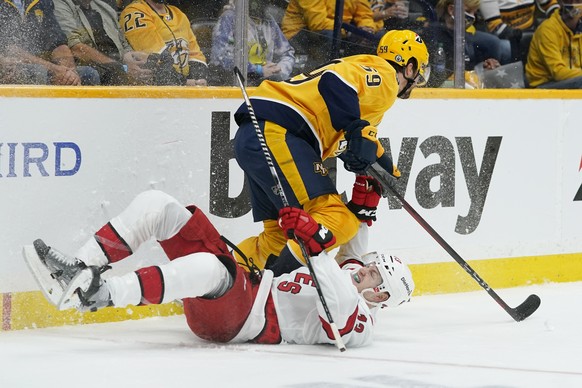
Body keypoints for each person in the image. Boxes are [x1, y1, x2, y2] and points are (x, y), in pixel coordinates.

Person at [26, 190, 415, 347]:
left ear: (381, 295)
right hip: (244, 285)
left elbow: (339, 315)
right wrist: (368, 194)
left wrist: (315, 244)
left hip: (242, 320)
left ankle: (100, 294)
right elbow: (359, 231)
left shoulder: (363, 322)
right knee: (160, 206)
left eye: (374, 275)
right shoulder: (352, 272)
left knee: (213, 269)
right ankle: (79, 269)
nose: (363, 270)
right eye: (368, 266)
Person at [232, 30, 428, 276]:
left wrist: (378, 167)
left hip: (257, 135)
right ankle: (273, 285)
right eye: (419, 70)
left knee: (277, 238)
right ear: (409, 68)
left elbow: (352, 141)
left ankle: (221, 279)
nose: (417, 77)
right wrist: (355, 128)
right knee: (338, 218)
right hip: (280, 132)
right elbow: (334, 82)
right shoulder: (386, 76)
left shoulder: (368, 89)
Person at [53, 0, 153, 85]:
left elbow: (123, 43)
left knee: (156, 64)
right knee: (91, 73)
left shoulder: (105, 8)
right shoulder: (60, 4)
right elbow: (76, 48)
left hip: (118, 64)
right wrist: (121, 68)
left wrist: (131, 56)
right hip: (95, 66)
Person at [0, 0, 99, 85]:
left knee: (89, 74)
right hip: (10, 66)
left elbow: (58, 44)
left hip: (42, 66)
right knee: (36, 72)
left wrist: (69, 74)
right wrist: (54, 69)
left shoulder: (41, 2)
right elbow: (11, 50)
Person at [119, 0, 209, 86]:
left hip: (182, 86)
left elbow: (196, 55)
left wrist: (199, 79)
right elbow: (157, 60)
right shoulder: (134, 12)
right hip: (148, 90)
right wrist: (183, 83)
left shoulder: (179, 14)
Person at [424, 0, 511, 87]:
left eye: (474, 13)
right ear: (451, 9)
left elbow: (469, 69)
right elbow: (434, 76)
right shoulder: (433, 35)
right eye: (468, 11)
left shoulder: (466, 37)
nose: (472, 17)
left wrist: (484, 68)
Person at [210, 0, 296, 86]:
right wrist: (258, 70)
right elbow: (218, 59)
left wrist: (278, 70)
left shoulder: (269, 21)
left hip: (265, 83)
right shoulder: (230, 18)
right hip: (237, 85)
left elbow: (287, 53)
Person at [281, 0, 380, 69]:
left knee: (373, 39)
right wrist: (348, 32)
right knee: (330, 36)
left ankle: (352, 76)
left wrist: (367, 28)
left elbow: (364, 14)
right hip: (299, 33)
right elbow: (317, 23)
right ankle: (317, 74)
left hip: (339, 30)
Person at [526, 0, 582, 88]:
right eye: (569, 0)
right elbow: (558, 73)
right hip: (543, 85)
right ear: (560, 2)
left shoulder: (580, 29)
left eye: (578, 1)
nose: (573, 4)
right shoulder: (547, 30)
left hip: (572, 79)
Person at [479, 0, 560, 61]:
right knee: (506, 48)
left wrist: (559, 20)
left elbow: (551, 6)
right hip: (503, 38)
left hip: (531, 30)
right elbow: (495, 26)